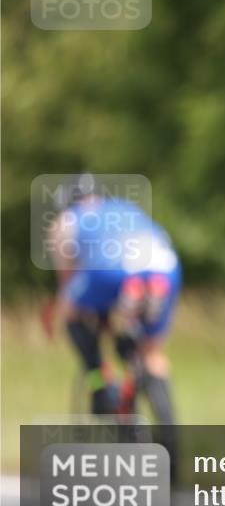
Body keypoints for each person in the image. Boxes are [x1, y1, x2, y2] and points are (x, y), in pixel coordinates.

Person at [42, 174, 182, 437]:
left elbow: (67, 280)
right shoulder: (125, 208)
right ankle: (171, 444)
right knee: (151, 353)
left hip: (110, 272)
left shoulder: (67, 219)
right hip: (165, 269)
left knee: (70, 311)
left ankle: (98, 380)